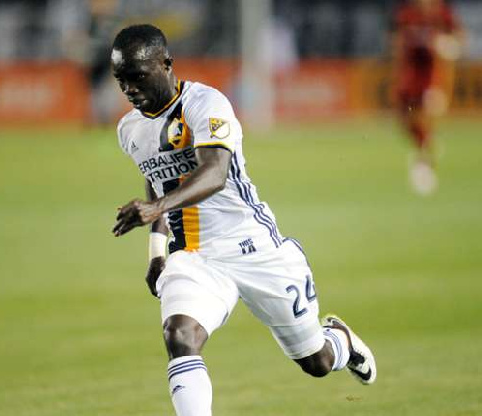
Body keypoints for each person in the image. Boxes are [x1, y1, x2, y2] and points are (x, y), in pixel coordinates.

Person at [111, 24, 376, 416]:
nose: (129, 89)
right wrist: (157, 250)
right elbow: (156, 177)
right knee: (180, 335)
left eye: (137, 76)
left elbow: (215, 173)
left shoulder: (207, 104)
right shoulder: (129, 129)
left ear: (166, 64)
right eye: (121, 80)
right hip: (196, 257)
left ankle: (341, 341)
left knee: (315, 361)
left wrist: (158, 208)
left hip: (253, 246)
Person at [391, 0, 464, 195]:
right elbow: (396, 41)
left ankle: (424, 163)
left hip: (434, 74)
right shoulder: (406, 13)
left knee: (426, 113)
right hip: (410, 74)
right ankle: (426, 143)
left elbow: (458, 39)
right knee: (404, 119)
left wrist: (448, 46)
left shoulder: (442, 12)